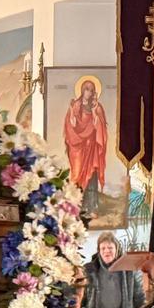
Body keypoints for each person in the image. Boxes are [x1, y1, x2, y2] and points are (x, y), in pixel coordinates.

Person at [75, 232, 146, 308]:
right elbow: (80, 303)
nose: (106, 251)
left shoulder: (129, 271)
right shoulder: (89, 271)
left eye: (110, 248)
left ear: (116, 249)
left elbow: (139, 300)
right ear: (98, 251)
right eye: (103, 248)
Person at [64, 76, 109, 217]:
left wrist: (95, 112)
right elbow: (70, 126)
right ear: (82, 90)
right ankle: (78, 208)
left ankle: (92, 207)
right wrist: (72, 115)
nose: (89, 92)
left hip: (92, 148)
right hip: (79, 148)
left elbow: (100, 127)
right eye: (87, 89)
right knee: (78, 176)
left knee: (92, 177)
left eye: (92, 90)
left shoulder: (97, 107)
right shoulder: (75, 106)